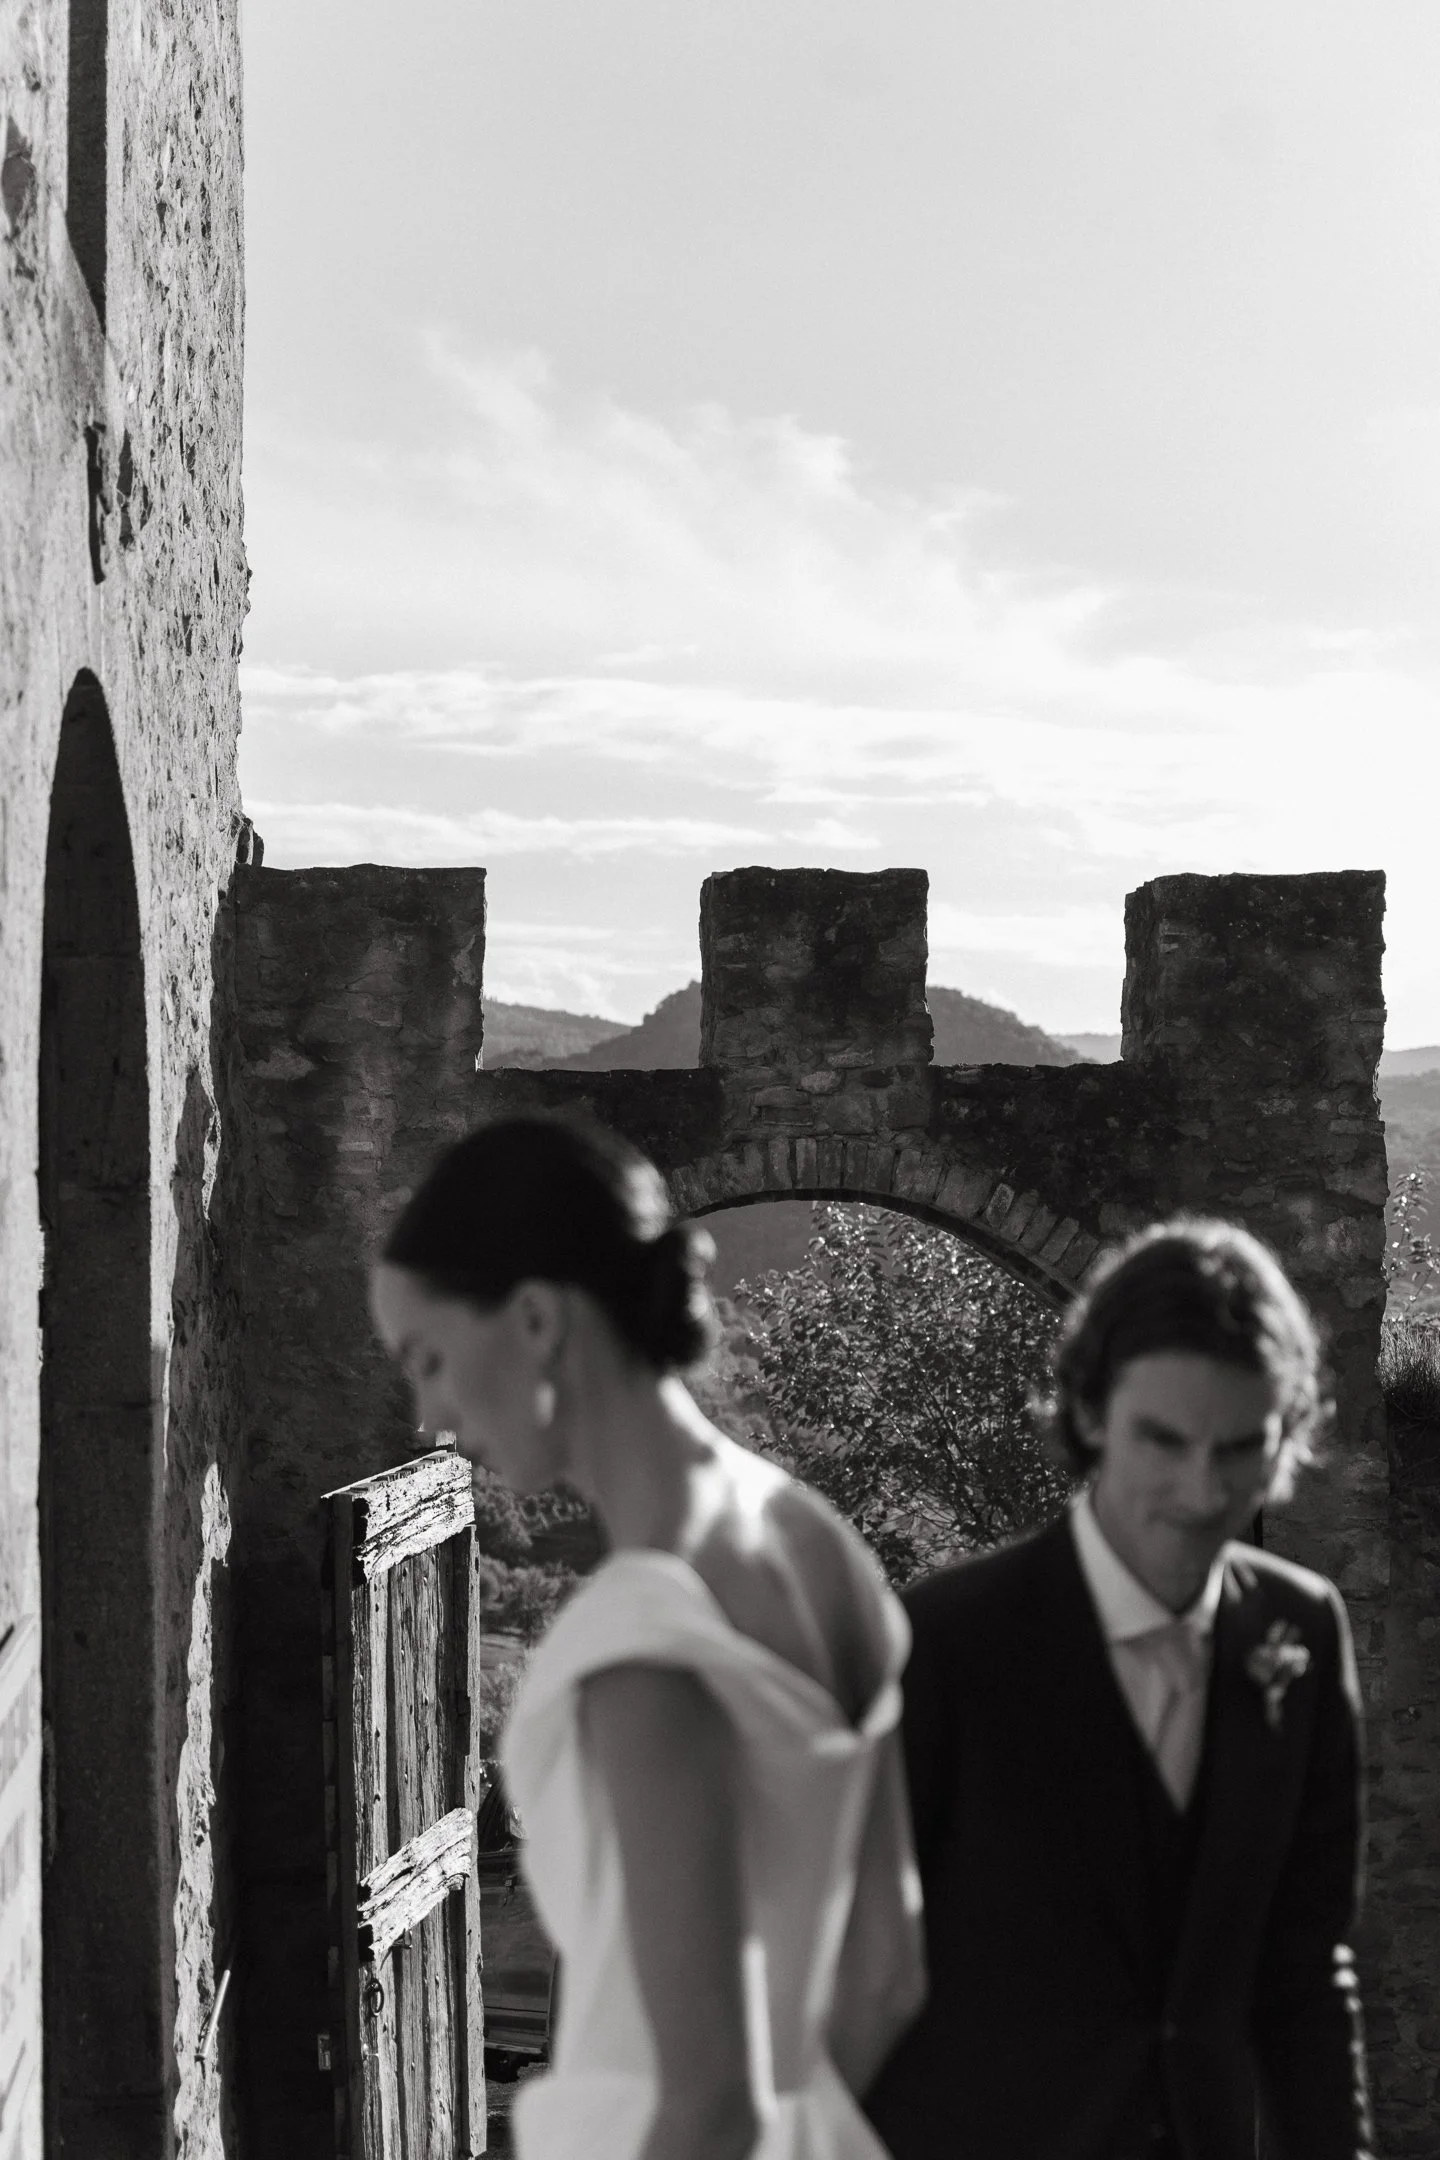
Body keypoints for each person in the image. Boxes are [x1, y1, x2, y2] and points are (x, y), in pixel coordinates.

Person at [371, 1113, 926, 2160]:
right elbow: (885, 1973)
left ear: (535, 1318)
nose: (427, 1410)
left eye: (429, 1357)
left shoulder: (644, 1637)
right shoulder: (807, 1537)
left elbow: (711, 2104)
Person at [864, 1217, 1375, 2160]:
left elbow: (1302, 1970)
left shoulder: (1298, 1631)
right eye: (1163, 1440)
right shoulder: (944, 1645)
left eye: (1240, 1447)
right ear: (1092, 1412)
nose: (1200, 1488)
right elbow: (850, 1980)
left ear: (1287, 1436)